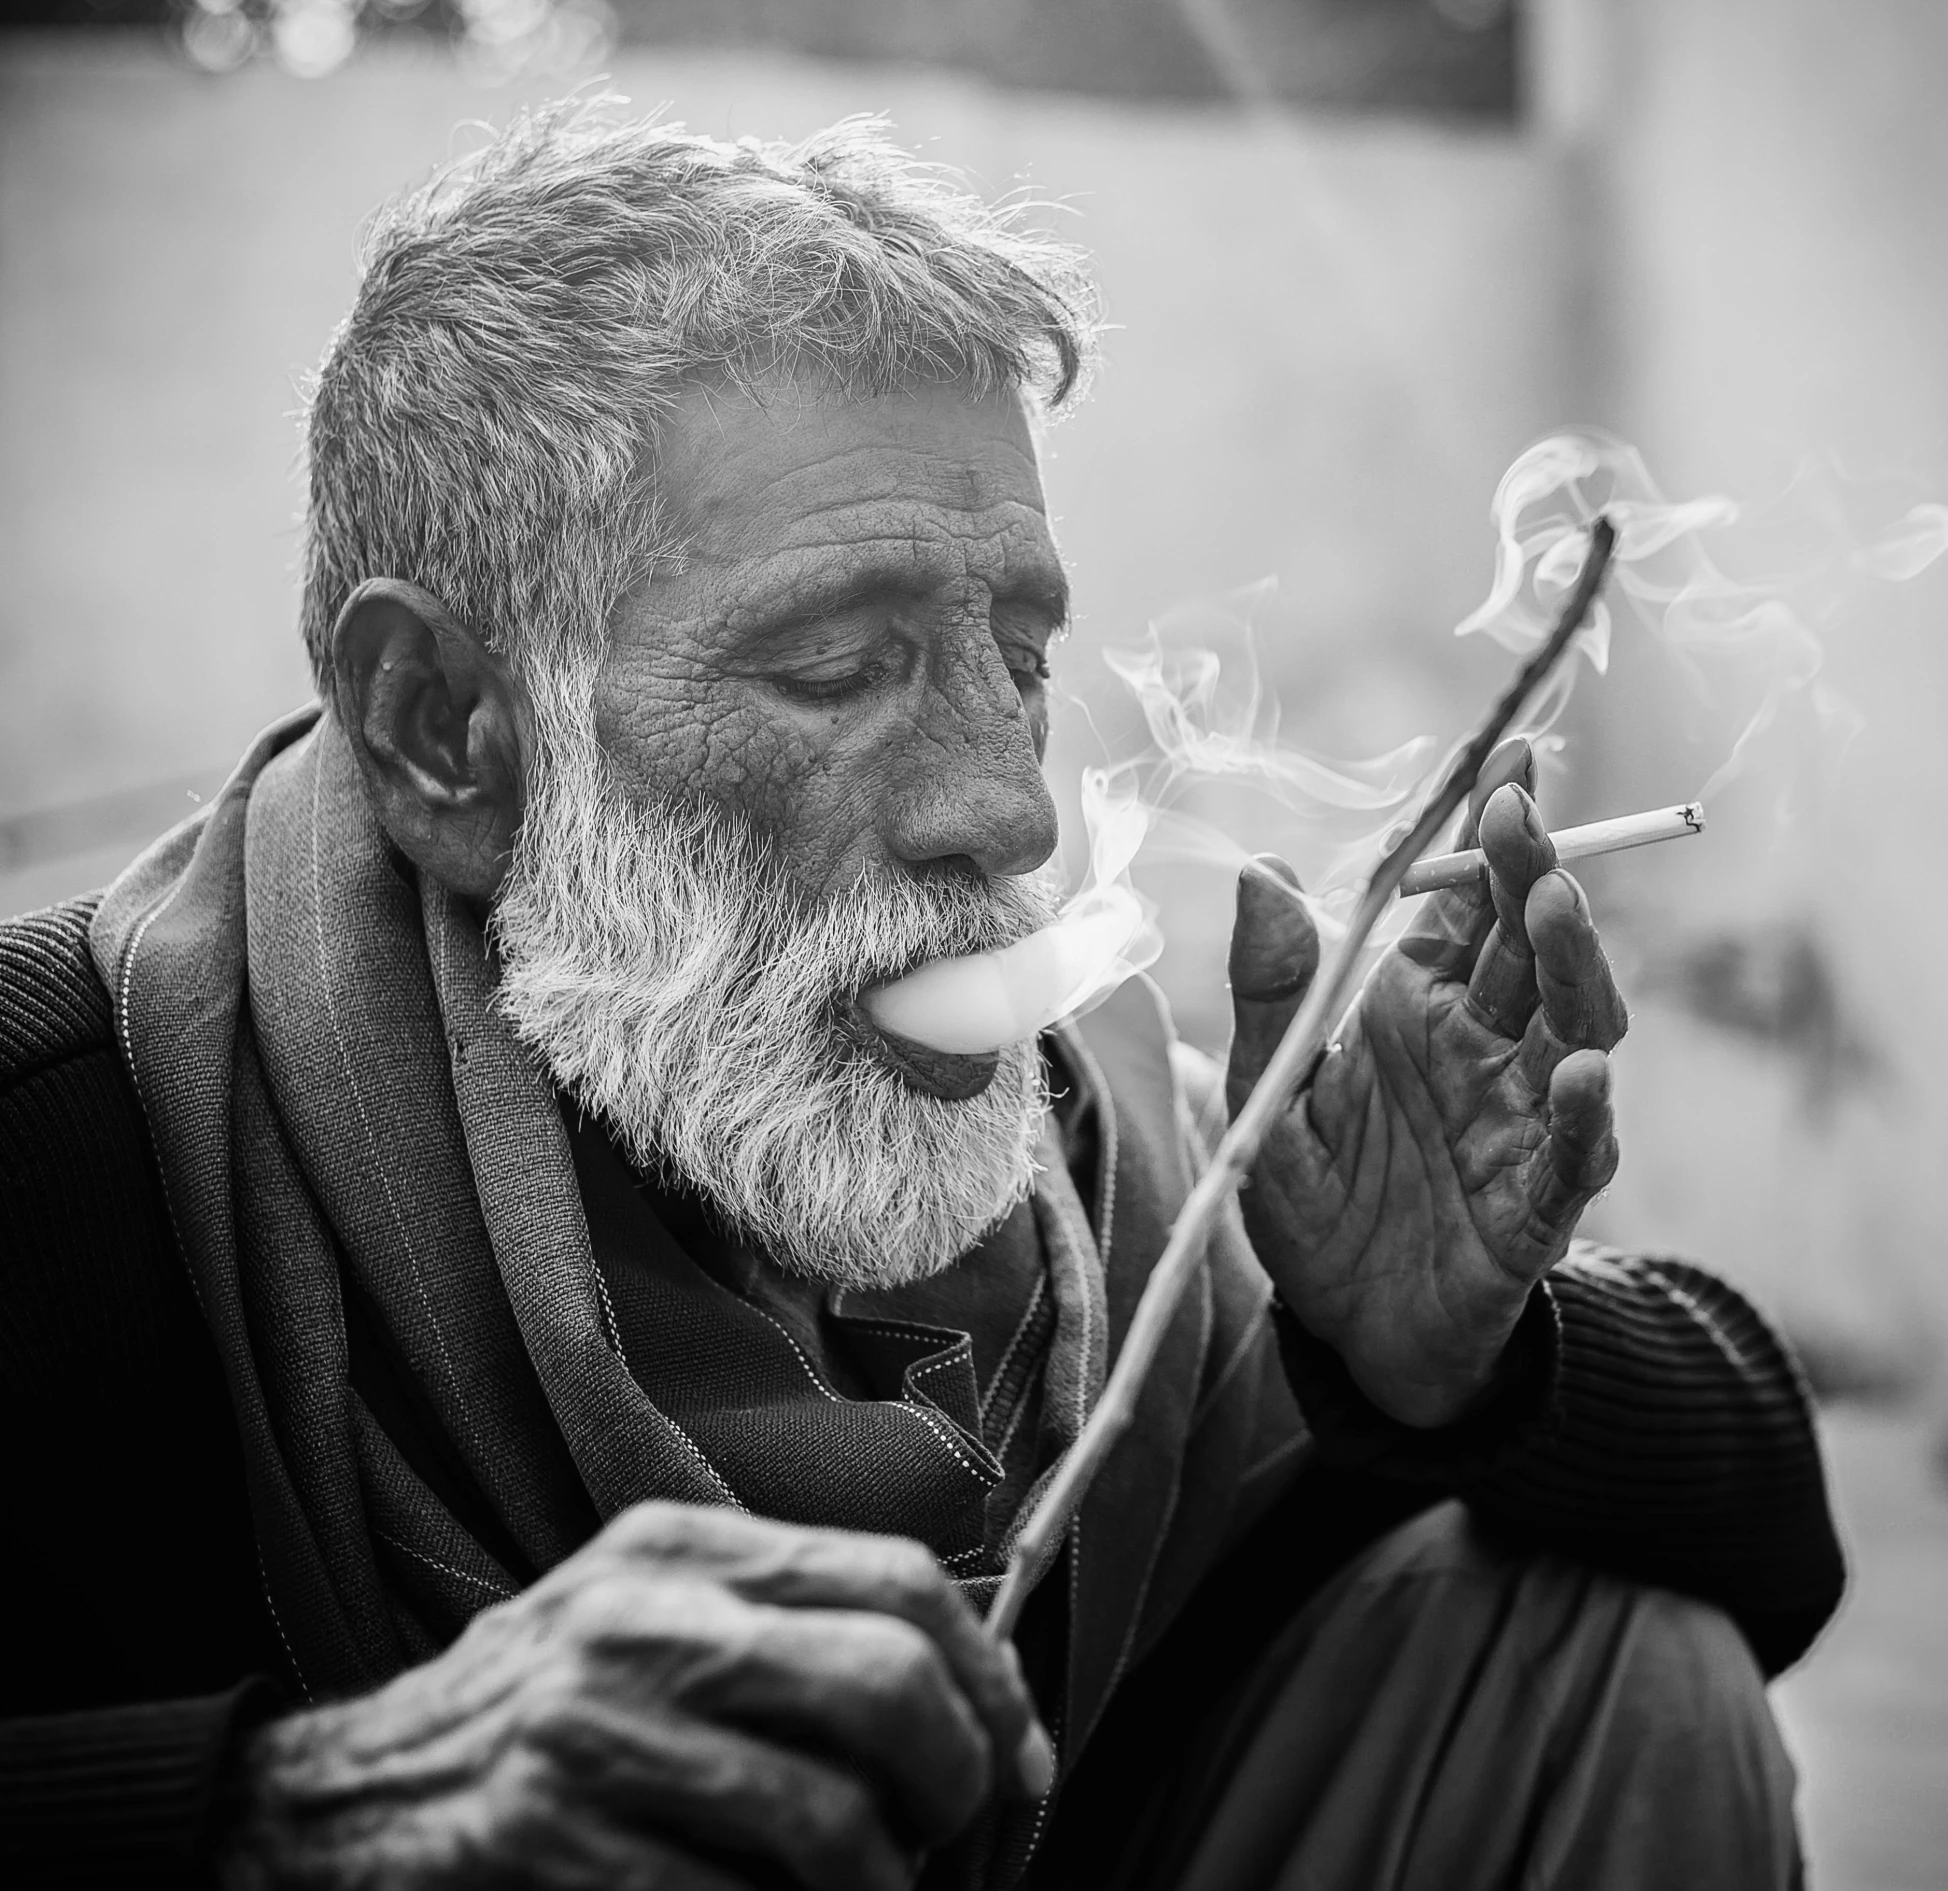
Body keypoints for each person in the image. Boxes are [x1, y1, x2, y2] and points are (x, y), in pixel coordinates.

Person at [0, 104, 1842, 1891]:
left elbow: (1775, 1534)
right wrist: (288, 1807)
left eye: (1017, 656)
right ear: (445, 734)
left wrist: (1452, 1360)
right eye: (838, 664)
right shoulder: (65, 1138)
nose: (1007, 804)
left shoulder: (1112, 1134)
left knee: (1615, 1665)